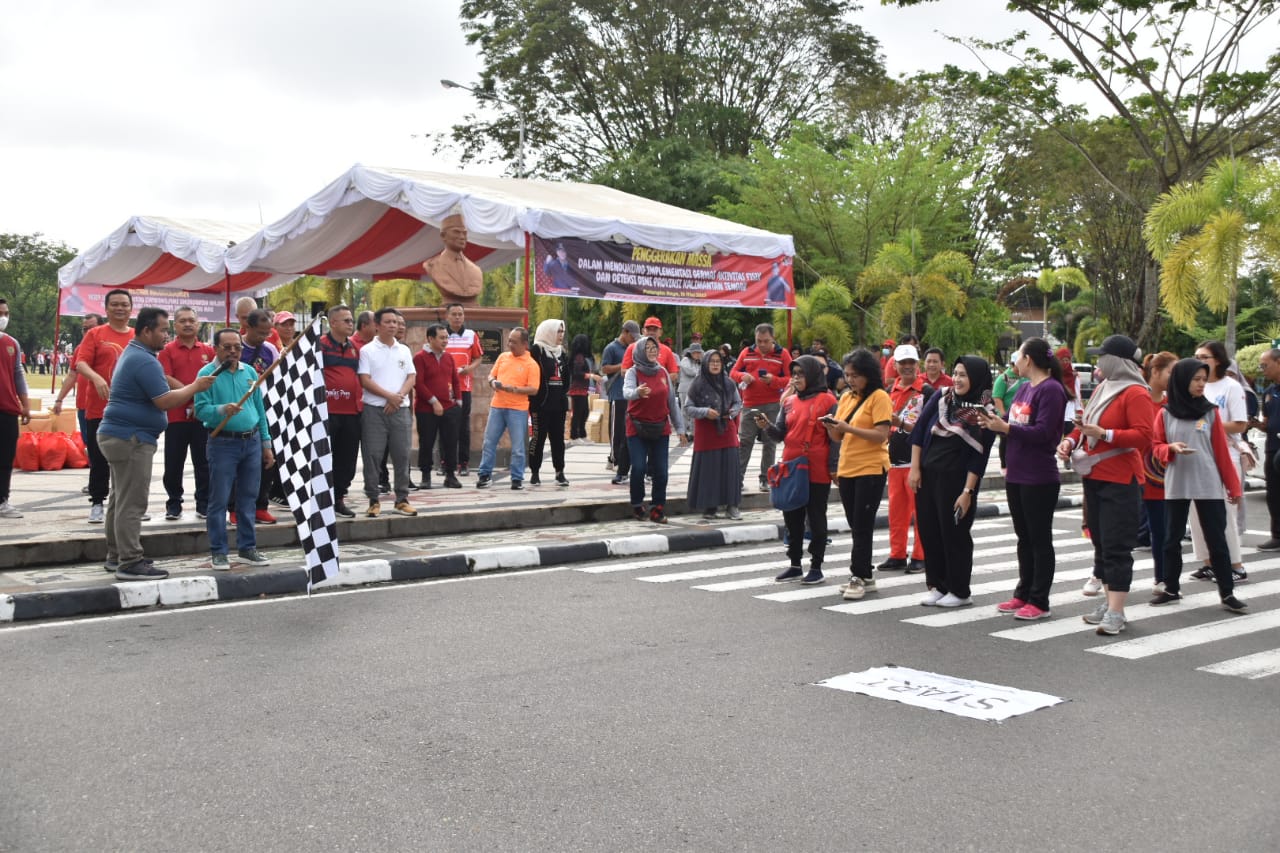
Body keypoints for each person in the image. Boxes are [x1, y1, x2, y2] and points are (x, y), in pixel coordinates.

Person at [99, 308, 215, 579]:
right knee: (132, 502)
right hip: (131, 438)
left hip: (121, 435)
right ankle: (129, 561)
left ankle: (116, 555)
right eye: (163, 330)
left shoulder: (137, 354)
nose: (167, 335)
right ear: (146, 331)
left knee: (119, 499)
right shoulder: (144, 360)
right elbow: (163, 401)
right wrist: (195, 387)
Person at [1058, 334, 1155, 636]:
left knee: (1116, 545)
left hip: (1121, 479)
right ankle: (1109, 602)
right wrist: (1070, 440)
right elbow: (1085, 425)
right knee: (1100, 543)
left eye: (1103, 356)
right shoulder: (1103, 387)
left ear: (1116, 361)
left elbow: (1143, 437)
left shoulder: (1136, 392)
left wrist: (1107, 434)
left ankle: (1117, 611)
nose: (1098, 362)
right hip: (1095, 477)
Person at [980, 339, 1069, 620]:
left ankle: (1040, 600)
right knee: (1023, 538)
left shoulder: (1052, 390)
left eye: (1017, 356)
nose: (1014, 362)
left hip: (1039, 476)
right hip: (1017, 473)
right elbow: (1014, 426)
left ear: (1028, 359)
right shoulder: (1023, 389)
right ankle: (1024, 592)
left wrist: (1005, 426)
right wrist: (994, 422)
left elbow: (1043, 433)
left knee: (1039, 539)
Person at [1150, 358, 1247, 612]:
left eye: (1204, 379)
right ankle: (1171, 588)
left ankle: (1227, 593)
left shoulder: (1210, 412)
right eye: (1196, 379)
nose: (1201, 384)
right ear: (1182, 380)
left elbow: (1221, 454)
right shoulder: (1165, 413)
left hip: (1208, 484)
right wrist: (1170, 448)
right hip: (1177, 484)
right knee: (1171, 540)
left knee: (1217, 540)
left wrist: (1233, 488)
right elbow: (1156, 447)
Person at [909, 356, 997, 607]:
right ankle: (938, 585)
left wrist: (968, 491)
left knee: (954, 534)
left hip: (958, 482)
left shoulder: (986, 413)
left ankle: (959, 591)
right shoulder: (942, 398)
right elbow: (918, 432)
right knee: (930, 530)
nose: (957, 379)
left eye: (964, 375)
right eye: (956, 373)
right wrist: (915, 468)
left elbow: (978, 457)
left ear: (977, 379)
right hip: (928, 477)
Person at [195, 329, 275, 569]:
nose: (232, 351)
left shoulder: (249, 372)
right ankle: (219, 551)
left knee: (248, 498)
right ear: (215, 348)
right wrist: (221, 410)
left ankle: (247, 548)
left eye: (237, 347)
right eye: (227, 347)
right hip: (223, 443)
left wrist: (266, 443)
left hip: (250, 442)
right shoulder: (207, 374)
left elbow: (259, 409)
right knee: (219, 500)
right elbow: (199, 409)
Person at [754, 355, 837, 583]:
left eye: (801, 374)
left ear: (812, 375)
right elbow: (780, 433)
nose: (797, 379)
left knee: (816, 518)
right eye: (795, 374)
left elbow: (836, 439)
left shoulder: (828, 401)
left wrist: (833, 467)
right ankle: (795, 564)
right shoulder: (789, 402)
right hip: (791, 468)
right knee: (792, 517)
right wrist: (766, 427)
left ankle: (816, 567)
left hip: (817, 469)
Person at [825, 349, 892, 600]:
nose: (851, 380)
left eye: (856, 375)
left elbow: (881, 434)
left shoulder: (879, 397)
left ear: (868, 374)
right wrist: (832, 427)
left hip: (871, 467)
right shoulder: (845, 398)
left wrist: (847, 427)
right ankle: (866, 574)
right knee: (856, 524)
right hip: (847, 467)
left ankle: (857, 575)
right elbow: (838, 436)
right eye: (848, 375)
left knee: (862, 525)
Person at [1188, 341, 1249, 582]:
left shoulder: (1231, 387)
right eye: (1196, 356)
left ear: (1219, 360)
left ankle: (1236, 565)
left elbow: (1240, 424)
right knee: (1197, 513)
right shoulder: (1192, 387)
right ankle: (1208, 562)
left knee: (1224, 513)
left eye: (1205, 356)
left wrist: (1207, 426)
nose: (1199, 360)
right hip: (1196, 456)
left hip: (1225, 454)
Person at [74, 289, 136, 524]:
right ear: (107, 308)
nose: (120, 308)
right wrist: (97, 378)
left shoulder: (137, 335)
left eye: (124, 304)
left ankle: (127, 504)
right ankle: (98, 502)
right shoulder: (95, 334)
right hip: (99, 408)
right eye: (115, 305)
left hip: (130, 410)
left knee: (130, 459)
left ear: (131, 309)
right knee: (99, 459)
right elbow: (81, 363)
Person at [357, 308, 418, 517]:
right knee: (372, 455)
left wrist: (398, 396)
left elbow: (411, 377)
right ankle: (373, 500)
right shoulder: (367, 350)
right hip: (374, 410)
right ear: (377, 325)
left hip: (400, 410)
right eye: (389, 322)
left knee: (402, 455)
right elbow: (365, 380)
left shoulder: (404, 350)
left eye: (396, 322)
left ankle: (402, 499)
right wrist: (388, 396)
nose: (394, 325)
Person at [157, 306, 215, 521]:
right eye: (182, 320)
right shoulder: (167, 350)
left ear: (198, 324)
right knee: (173, 462)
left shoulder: (209, 351)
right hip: (176, 415)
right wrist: (190, 393)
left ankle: (204, 503)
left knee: (204, 461)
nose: (188, 324)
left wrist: (197, 401)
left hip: (203, 416)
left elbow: (214, 378)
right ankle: (174, 503)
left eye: (191, 320)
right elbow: (165, 377)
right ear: (175, 325)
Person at [879, 344, 932, 574]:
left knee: (920, 512)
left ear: (917, 364)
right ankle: (897, 554)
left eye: (911, 362)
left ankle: (920, 555)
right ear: (896, 366)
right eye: (903, 363)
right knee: (896, 512)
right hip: (893, 462)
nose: (907, 367)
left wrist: (901, 424)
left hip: (916, 463)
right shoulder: (889, 393)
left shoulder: (926, 392)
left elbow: (929, 428)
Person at [623, 336, 687, 523]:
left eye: (654, 348)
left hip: (660, 426)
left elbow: (672, 403)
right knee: (639, 468)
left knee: (661, 470)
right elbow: (626, 392)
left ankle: (657, 509)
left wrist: (680, 429)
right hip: (637, 427)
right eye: (648, 348)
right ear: (640, 351)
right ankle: (637, 503)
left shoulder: (663, 372)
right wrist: (637, 392)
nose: (652, 351)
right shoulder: (633, 372)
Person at [476, 328, 540, 490]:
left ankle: (517, 478)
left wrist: (514, 389)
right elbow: (492, 375)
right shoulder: (503, 357)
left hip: (517, 409)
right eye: (509, 341)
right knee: (489, 442)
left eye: (514, 342)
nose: (510, 344)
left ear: (525, 344)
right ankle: (484, 475)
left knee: (518, 447)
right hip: (497, 406)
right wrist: (492, 383)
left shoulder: (531, 364)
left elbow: (534, 389)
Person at [731, 323, 792, 493]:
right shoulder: (747, 352)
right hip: (749, 404)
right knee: (744, 441)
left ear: (773, 339)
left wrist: (774, 380)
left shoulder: (782, 354)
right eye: (759, 341)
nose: (762, 345)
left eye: (766, 341)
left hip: (773, 405)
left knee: (769, 442)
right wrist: (743, 376)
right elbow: (733, 373)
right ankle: (737, 479)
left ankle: (766, 479)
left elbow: (791, 378)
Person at [684, 348, 743, 521]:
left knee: (730, 469)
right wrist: (704, 411)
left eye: (718, 361)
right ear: (706, 363)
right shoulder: (697, 384)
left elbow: (738, 402)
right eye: (712, 361)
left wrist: (732, 412)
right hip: (706, 432)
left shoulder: (729, 382)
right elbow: (688, 408)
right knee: (710, 470)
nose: (715, 365)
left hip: (726, 430)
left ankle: (732, 506)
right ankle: (710, 507)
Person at [1139, 352, 1179, 594]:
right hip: (1134, 473)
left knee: (1161, 530)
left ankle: (1162, 578)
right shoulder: (1137, 399)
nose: (1174, 378)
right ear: (1154, 372)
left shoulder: (1171, 405)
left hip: (1161, 475)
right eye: (1170, 373)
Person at [319, 304, 362, 518]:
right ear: (333, 322)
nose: (350, 324)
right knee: (324, 458)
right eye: (346, 320)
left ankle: (338, 498)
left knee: (347, 459)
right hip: (327, 413)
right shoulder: (320, 345)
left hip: (352, 413)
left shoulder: (355, 348)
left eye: (351, 320)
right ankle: (321, 500)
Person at [239, 309, 280, 525]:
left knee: (267, 458)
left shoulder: (270, 350)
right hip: (240, 412)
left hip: (265, 411)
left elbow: (279, 378)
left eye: (267, 333)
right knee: (239, 462)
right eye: (260, 333)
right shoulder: (236, 347)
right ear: (248, 327)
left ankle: (261, 505)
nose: (263, 338)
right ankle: (236, 507)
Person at [412, 323, 463, 490]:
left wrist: (459, 401)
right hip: (426, 409)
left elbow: (455, 380)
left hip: (449, 408)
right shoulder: (420, 358)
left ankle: (450, 475)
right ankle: (426, 476)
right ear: (430, 338)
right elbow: (418, 384)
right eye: (441, 338)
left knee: (450, 442)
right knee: (426, 442)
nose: (445, 341)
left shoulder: (448, 357)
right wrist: (434, 401)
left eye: (446, 337)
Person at [527, 319, 571, 487]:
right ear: (548, 332)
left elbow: (567, 376)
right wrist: (537, 398)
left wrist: (564, 394)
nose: (561, 335)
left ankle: (559, 472)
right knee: (538, 438)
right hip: (541, 404)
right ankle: (535, 472)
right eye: (558, 331)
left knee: (558, 439)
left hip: (558, 404)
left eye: (562, 332)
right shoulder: (537, 350)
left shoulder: (562, 352)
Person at [443, 303, 485, 475]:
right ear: (447, 316)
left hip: (464, 388)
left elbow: (478, 357)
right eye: (454, 314)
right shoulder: (441, 334)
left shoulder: (470, 335)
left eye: (460, 314)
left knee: (462, 426)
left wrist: (469, 369)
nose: (458, 317)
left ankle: (464, 463)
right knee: (444, 425)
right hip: (443, 388)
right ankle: (445, 462)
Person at [0, 297, 31, 519]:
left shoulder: (11, 343)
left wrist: (25, 405)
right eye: (0, 313)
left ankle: (3, 500)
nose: (3, 318)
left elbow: (18, 375)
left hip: (7, 408)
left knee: (5, 457)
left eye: (6, 313)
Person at [601, 321, 639, 484]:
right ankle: (614, 458)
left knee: (626, 430)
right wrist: (623, 365)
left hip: (629, 394)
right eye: (632, 336)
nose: (633, 339)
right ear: (625, 332)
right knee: (617, 430)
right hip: (617, 394)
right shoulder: (611, 348)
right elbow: (604, 369)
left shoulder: (634, 348)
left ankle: (619, 458)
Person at [422, 212, 483, 304]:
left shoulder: (476, 270)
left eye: (464, 233)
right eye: (456, 232)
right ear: (443, 236)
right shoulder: (432, 265)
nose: (462, 237)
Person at [1255, 348, 1280, 550]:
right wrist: (1255, 424)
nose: (1262, 369)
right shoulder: (1270, 392)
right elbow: (1267, 422)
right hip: (1272, 448)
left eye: (1265, 365)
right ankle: (1277, 535)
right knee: (1273, 493)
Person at [991, 354, 1027, 472]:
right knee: (1005, 440)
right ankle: (1004, 465)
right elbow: (997, 398)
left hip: (1022, 417)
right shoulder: (1004, 378)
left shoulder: (1026, 377)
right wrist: (1002, 416)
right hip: (1007, 415)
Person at [567, 333, 599, 444]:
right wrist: (591, 376)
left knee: (584, 412)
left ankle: (582, 434)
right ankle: (574, 436)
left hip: (583, 389)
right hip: (577, 389)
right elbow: (577, 373)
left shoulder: (581, 357)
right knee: (578, 413)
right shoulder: (579, 358)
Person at [677, 343, 703, 439]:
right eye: (696, 353)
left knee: (694, 411)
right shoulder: (685, 360)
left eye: (699, 353)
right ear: (691, 353)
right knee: (684, 411)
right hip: (685, 389)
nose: (697, 354)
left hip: (695, 390)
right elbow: (691, 372)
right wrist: (700, 372)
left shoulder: (697, 362)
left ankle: (693, 433)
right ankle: (683, 433)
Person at [1057, 347, 1080, 437]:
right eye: (1062, 360)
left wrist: (1079, 409)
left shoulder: (1074, 376)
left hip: (1069, 412)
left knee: (1069, 438)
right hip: (1056, 410)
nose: (1065, 362)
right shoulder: (1054, 374)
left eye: (1067, 360)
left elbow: (1077, 394)